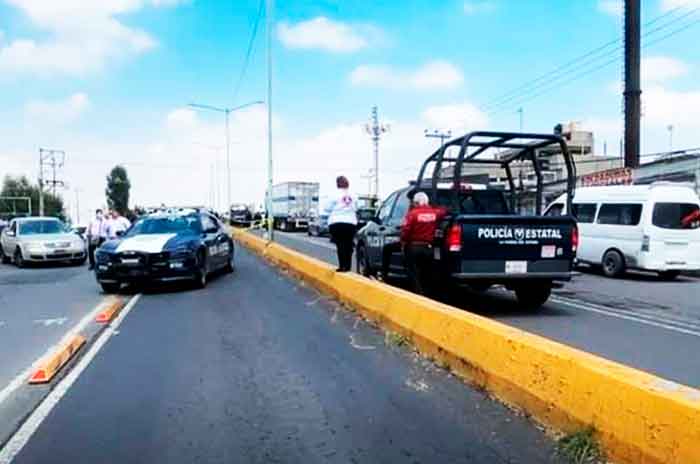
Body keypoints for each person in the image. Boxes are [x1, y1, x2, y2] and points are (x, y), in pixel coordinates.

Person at [400, 192, 446, 295]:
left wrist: (403, 242)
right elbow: (444, 211)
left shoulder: (412, 214)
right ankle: (428, 294)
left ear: (416, 203)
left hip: (414, 247)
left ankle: (418, 293)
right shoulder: (435, 213)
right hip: (428, 248)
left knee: (413, 272)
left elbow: (405, 231)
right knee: (427, 272)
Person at [325, 176, 357, 272]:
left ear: (337, 184)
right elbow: (356, 208)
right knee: (348, 245)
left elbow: (327, 208)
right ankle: (348, 267)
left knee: (340, 244)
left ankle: (342, 266)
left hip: (337, 222)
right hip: (350, 223)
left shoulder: (334, 195)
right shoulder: (354, 195)